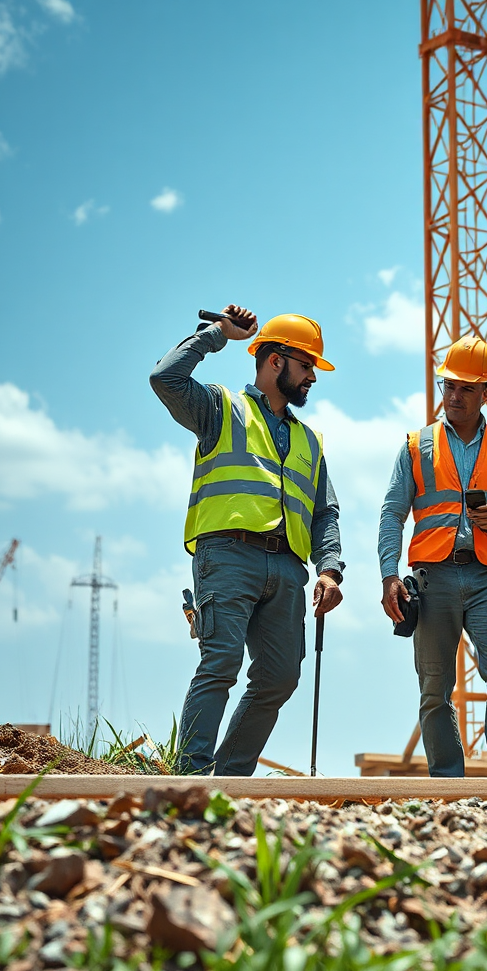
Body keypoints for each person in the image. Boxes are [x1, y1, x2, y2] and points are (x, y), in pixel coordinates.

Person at [150, 305, 345, 775]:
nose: (313, 378)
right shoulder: (220, 409)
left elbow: (326, 512)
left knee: (279, 677)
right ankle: (191, 778)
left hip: (287, 569)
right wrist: (217, 334)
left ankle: (230, 779)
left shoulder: (310, 440)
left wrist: (329, 567)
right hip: (228, 555)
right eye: (306, 366)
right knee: (221, 663)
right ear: (274, 361)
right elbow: (165, 379)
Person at [378, 336, 487, 779]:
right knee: (434, 685)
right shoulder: (417, 445)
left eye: (466, 388)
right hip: (433, 579)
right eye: (448, 386)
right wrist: (389, 575)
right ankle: (447, 778)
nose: (454, 396)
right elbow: (392, 513)